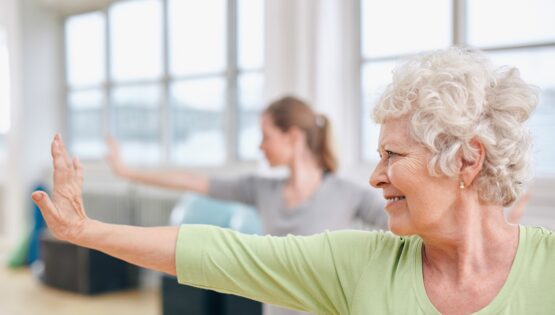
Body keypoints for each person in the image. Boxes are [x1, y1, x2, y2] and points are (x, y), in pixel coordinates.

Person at [32, 47, 553, 314]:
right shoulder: (359, 263)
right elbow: (216, 252)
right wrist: (84, 231)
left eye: (392, 155)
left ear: (467, 160)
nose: (376, 176)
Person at [106, 96, 388, 315]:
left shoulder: (350, 194)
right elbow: (192, 180)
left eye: (266, 136)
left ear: (292, 136)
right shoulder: (260, 189)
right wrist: (127, 172)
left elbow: (404, 231)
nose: (260, 146)